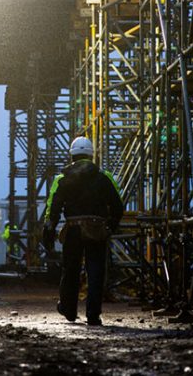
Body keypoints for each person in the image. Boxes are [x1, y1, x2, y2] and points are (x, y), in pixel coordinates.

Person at [41, 136, 123, 326]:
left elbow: (53, 207)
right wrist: (110, 225)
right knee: (95, 272)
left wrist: (49, 230)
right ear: (91, 155)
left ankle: (69, 310)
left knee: (70, 269)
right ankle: (93, 315)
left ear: (72, 156)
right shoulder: (104, 177)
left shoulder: (62, 179)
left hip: (73, 230)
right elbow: (118, 206)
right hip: (97, 229)